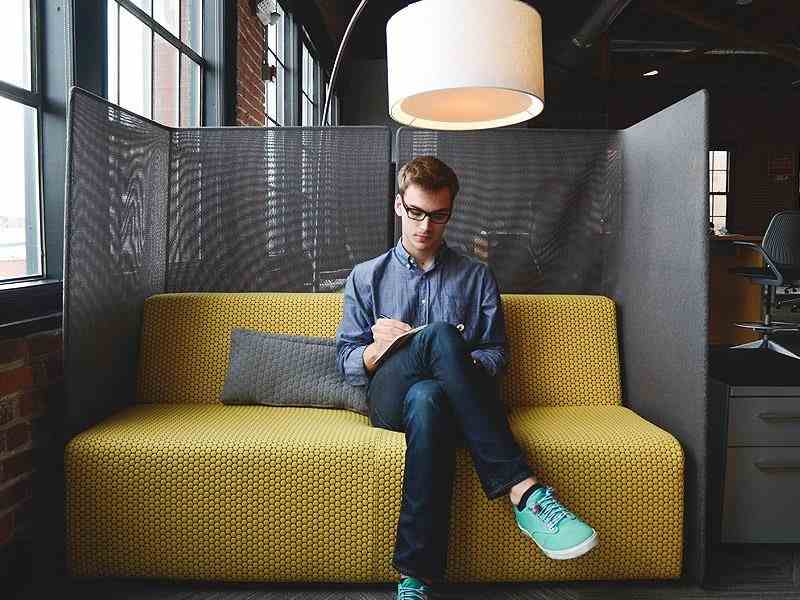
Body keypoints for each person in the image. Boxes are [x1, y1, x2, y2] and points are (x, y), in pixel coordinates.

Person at [335, 156, 598, 599]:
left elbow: (495, 354)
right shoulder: (366, 277)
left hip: (444, 403)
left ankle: (415, 577)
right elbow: (345, 360)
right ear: (399, 206)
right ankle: (523, 490)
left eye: (438, 216)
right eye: (416, 212)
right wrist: (378, 349)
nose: (425, 226)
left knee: (429, 398)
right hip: (387, 398)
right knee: (438, 338)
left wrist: (454, 363)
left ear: (450, 213)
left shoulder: (476, 277)